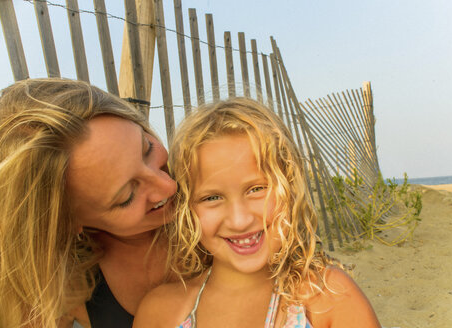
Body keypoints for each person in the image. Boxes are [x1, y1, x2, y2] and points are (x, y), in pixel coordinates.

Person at [133, 98, 381, 328]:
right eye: (212, 198)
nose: (239, 221)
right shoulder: (160, 313)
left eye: (256, 189)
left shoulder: (329, 298)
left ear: (290, 188)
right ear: (187, 209)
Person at [0, 78, 177, 328]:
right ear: (67, 223)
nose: (169, 185)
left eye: (147, 149)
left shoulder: (226, 197)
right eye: (126, 197)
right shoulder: (59, 293)